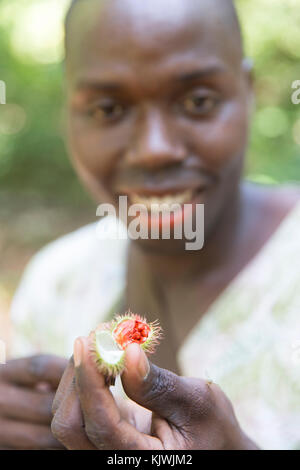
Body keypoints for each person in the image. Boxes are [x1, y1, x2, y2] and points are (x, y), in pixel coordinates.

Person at [2, 0, 300, 450]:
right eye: (108, 109)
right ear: (69, 115)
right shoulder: (55, 285)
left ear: (249, 90)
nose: (154, 149)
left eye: (197, 101)